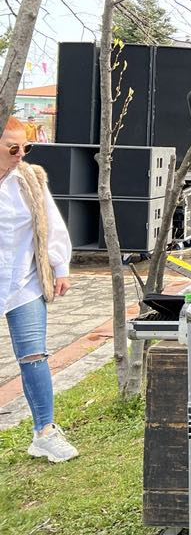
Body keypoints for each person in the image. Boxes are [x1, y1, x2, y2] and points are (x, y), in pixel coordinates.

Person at [0, 117, 78, 463]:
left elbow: (50, 223)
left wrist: (60, 267)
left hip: (24, 280)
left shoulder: (29, 179)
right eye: (13, 148)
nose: (21, 154)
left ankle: (45, 432)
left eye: (26, 147)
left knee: (34, 355)